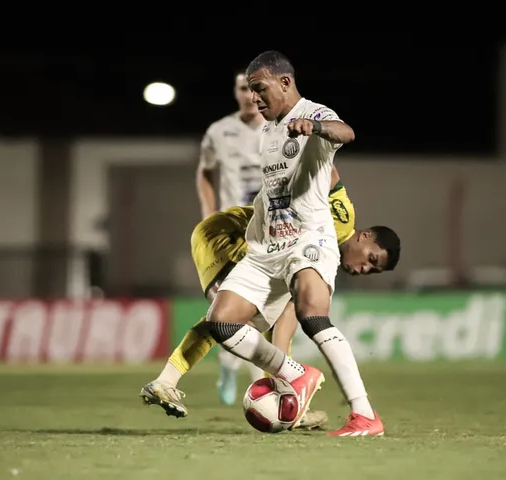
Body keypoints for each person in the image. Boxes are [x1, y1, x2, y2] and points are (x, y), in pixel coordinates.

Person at [203, 50, 391, 436]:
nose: (254, 98)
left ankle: (365, 414)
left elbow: (347, 132)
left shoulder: (314, 113)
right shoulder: (269, 130)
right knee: (220, 322)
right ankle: (296, 374)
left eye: (260, 90)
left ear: (284, 82)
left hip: (309, 239)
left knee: (311, 314)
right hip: (266, 248)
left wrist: (316, 128)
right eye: (251, 91)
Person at [140, 167, 400, 431]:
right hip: (231, 234)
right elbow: (328, 171)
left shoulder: (321, 260)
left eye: (372, 270)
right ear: (364, 235)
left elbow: (285, 320)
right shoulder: (341, 223)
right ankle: (167, 381)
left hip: (247, 244)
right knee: (226, 318)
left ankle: (289, 395)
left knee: (244, 322)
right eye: (371, 258)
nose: (364, 269)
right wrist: (309, 136)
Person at [195, 72, 269, 404]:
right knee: (228, 308)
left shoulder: (278, 128)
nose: (250, 94)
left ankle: (252, 379)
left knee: (260, 311)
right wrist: (209, 213)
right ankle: (232, 368)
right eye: (243, 88)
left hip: (267, 231)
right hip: (229, 233)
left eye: (255, 88)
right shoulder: (218, 131)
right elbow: (205, 173)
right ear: (236, 92)